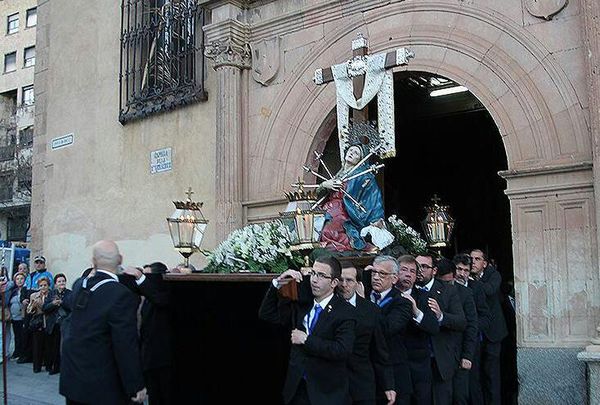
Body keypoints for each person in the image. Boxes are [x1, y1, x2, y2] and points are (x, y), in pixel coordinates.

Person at [259, 256, 356, 405]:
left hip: (326, 393)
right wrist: (278, 283)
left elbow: (342, 349)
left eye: (321, 275)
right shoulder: (302, 303)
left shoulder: (345, 311)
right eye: (313, 273)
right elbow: (267, 314)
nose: (314, 280)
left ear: (334, 282)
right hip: (297, 389)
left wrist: (306, 340)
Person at [60, 240, 147, 405]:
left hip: (73, 382)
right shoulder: (121, 294)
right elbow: (125, 344)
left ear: (93, 262)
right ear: (120, 259)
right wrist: (135, 384)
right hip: (102, 387)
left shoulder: (79, 285)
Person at [337, 260, 395, 405]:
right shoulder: (325, 306)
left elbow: (379, 350)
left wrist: (388, 384)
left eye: (349, 280)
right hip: (332, 385)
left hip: (361, 384)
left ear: (358, 283)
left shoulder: (371, 310)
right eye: (341, 280)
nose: (344, 284)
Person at [415, 254, 466, 405]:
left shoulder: (447, 290)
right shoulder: (408, 289)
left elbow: (461, 321)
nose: (420, 270)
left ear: (434, 270)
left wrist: (441, 316)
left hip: (440, 361)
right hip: (415, 361)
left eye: (424, 267)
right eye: (417, 266)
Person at [318, 144, 387, 252]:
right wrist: (324, 185)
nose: (351, 153)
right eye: (350, 150)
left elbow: (373, 197)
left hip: (345, 210)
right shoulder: (339, 174)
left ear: (361, 160)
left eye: (356, 153)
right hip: (328, 208)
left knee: (329, 229)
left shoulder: (363, 176)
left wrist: (376, 218)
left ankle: (354, 246)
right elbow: (318, 195)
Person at [122, 262, 173, 405]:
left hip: (163, 360)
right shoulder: (145, 298)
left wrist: (140, 277)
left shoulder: (165, 295)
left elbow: (159, 299)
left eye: (148, 277)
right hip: (148, 359)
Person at [364, 255, 412, 405]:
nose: (376, 277)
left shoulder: (402, 303)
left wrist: (365, 306)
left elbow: (386, 329)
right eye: (374, 272)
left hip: (394, 374)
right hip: (367, 373)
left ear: (394, 278)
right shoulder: (365, 295)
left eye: (382, 274)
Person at [395, 255, 440, 405]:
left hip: (419, 368)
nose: (408, 274)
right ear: (395, 273)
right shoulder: (387, 295)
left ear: (416, 277)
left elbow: (433, 327)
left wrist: (416, 312)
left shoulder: (424, 297)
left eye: (412, 271)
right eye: (404, 270)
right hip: (395, 367)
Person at [436, 258, 478, 405]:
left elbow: (471, 326)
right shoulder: (432, 291)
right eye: (441, 282)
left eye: (448, 282)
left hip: (458, 354)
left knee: (460, 397)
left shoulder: (465, 293)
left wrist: (467, 355)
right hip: (439, 355)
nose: (445, 286)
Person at [469, 249, 507, 405]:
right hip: (475, 332)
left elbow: (489, 290)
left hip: (493, 333)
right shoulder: (466, 276)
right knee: (475, 374)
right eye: (471, 258)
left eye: (477, 259)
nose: (473, 262)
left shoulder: (493, 275)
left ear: (484, 263)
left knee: (492, 374)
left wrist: (471, 281)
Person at [454, 253, 489, 404]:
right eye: (459, 269)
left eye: (466, 270)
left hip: (472, 343)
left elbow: (485, 317)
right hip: (451, 344)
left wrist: (470, 328)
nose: (462, 274)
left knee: (473, 384)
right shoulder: (446, 287)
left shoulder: (476, 288)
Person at [42, 273, 71, 374]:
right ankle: (52, 366)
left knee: (62, 347)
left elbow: (72, 307)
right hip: (53, 324)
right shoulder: (51, 294)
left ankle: (61, 367)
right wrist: (53, 304)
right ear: (55, 284)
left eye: (63, 281)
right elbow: (44, 308)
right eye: (59, 281)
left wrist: (62, 302)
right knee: (52, 346)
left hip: (64, 323)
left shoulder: (69, 293)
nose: (61, 283)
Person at [26, 276, 51, 373]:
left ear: (48, 286)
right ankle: (37, 366)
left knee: (48, 345)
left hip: (48, 322)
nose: (43, 287)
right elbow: (29, 311)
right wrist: (33, 306)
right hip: (38, 322)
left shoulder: (52, 295)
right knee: (37, 346)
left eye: (45, 285)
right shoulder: (33, 295)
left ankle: (48, 365)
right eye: (41, 285)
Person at [6, 272, 27, 361]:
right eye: (17, 279)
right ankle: (17, 352)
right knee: (17, 336)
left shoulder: (27, 290)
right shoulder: (13, 291)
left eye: (21, 278)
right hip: (14, 317)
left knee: (22, 336)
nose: (19, 281)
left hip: (22, 317)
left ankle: (22, 354)